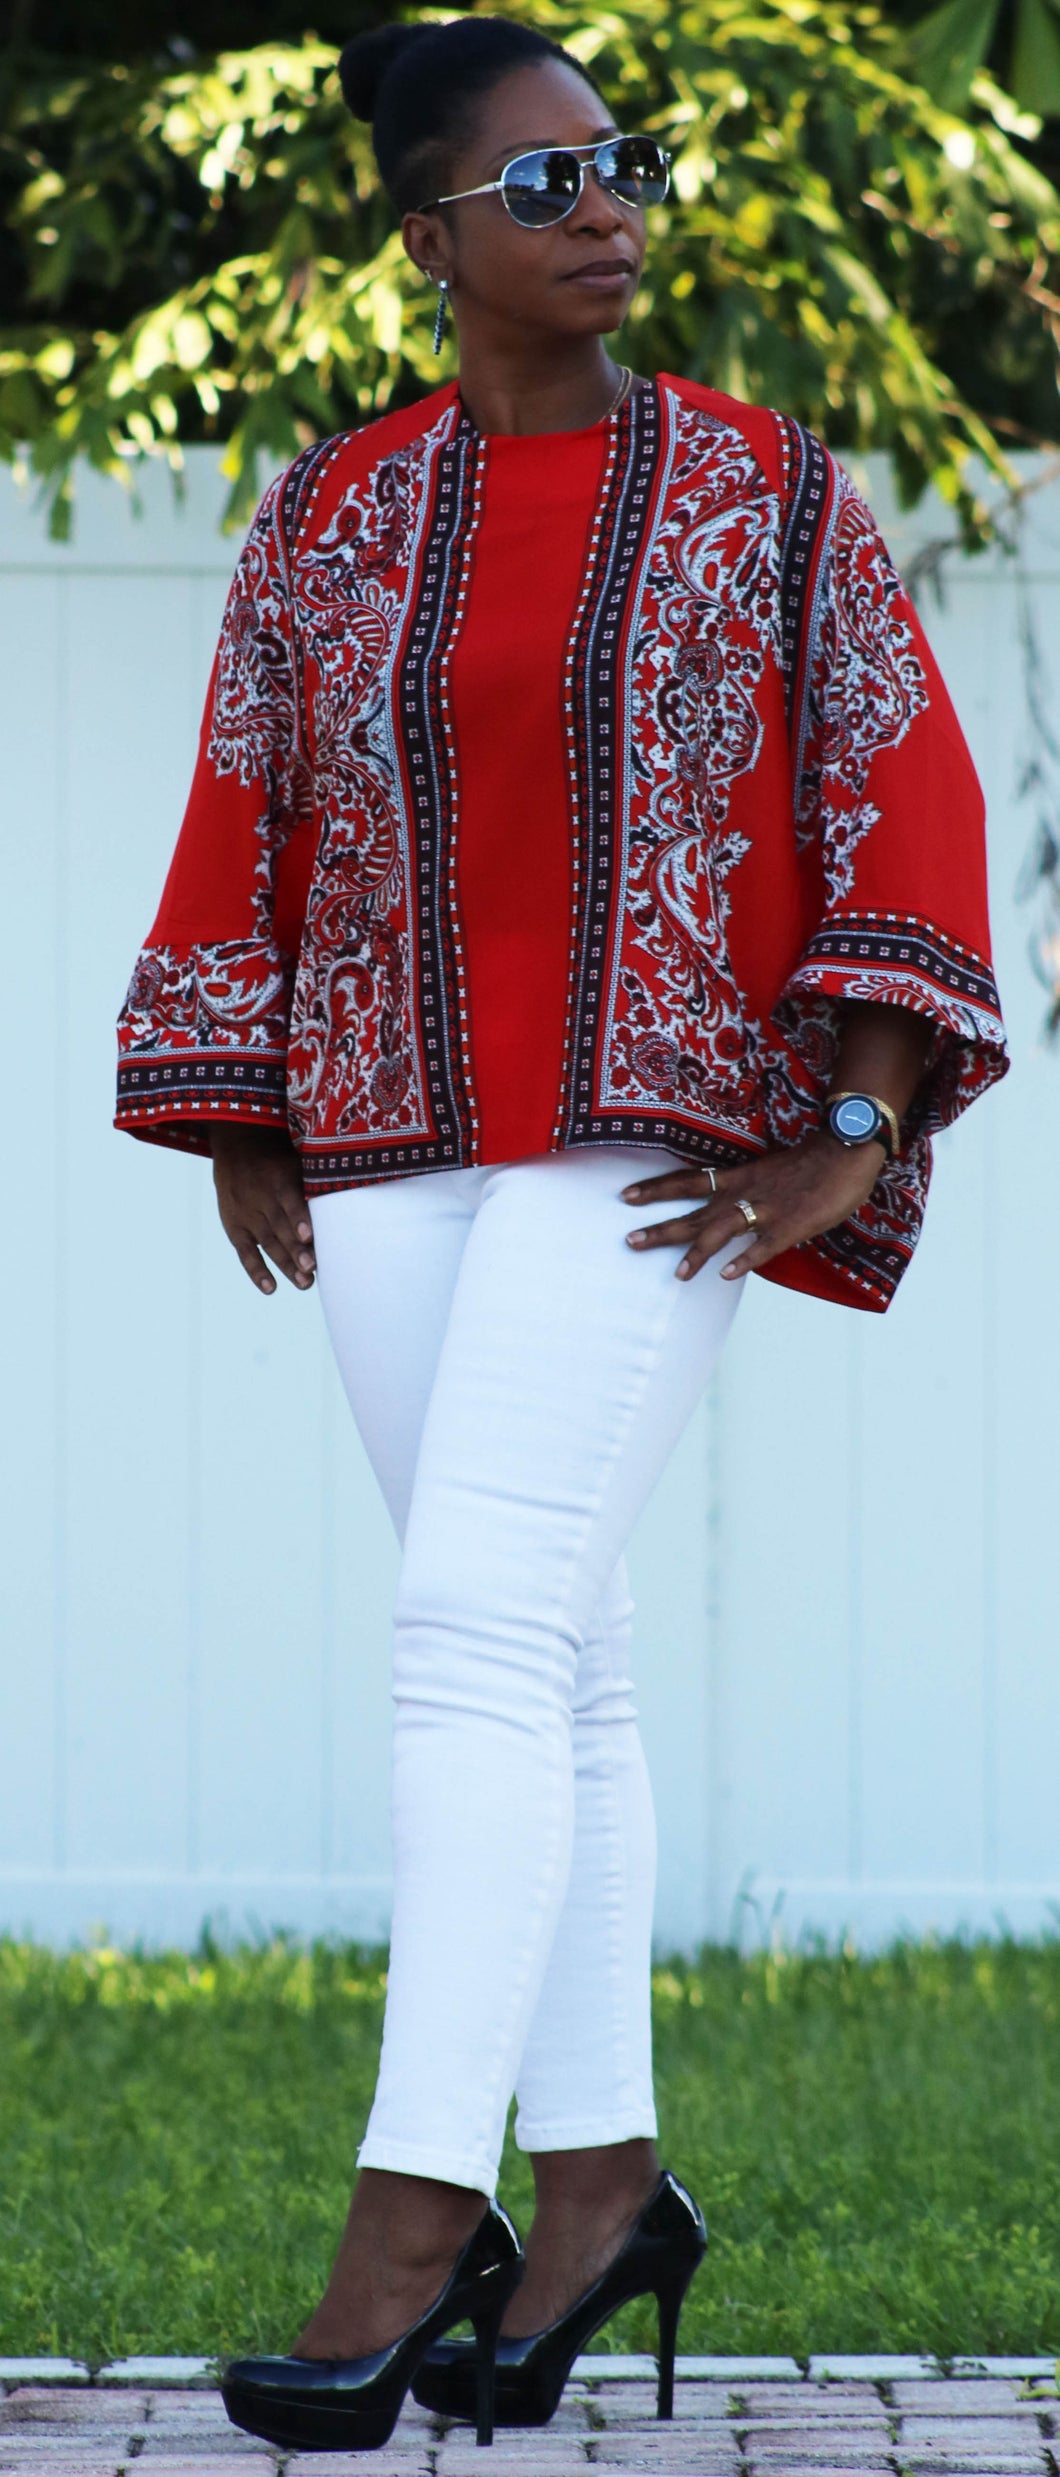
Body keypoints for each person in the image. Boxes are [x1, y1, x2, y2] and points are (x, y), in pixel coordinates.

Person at [113, 11, 1009, 2455]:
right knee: (560, 1665)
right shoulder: (332, 511)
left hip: (644, 1153)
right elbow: (251, 795)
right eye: (541, 184)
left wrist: (857, 1103)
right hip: (387, 1143)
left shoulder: (762, 494)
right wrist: (233, 1111)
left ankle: (415, 2219)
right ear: (429, 237)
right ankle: (601, 2188)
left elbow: (894, 771)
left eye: (620, 167)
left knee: (462, 1627)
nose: (602, 206)